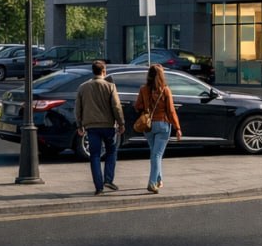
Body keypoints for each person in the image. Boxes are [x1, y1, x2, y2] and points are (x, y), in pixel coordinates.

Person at [75, 60, 125, 196]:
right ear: (104, 71)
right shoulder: (110, 86)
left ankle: (99, 187)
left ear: (93, 71)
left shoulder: (83, 87)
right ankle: (108, 179)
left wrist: (79, 125)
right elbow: (116, 107)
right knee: (111, 152)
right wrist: (121, 123)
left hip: (91, 127)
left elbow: (78, 108)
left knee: (95, 156)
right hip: (108, 126)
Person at [134, 64, 182, 194]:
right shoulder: (165, 90)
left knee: (155, 154)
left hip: (148, 126)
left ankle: (159, 179)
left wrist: (145, 108)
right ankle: (152, 183)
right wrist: (177, 127)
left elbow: (137, 106)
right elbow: (171, 111)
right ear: (161, 76)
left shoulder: (143, 89)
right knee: (157, 155)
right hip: (162, 124)